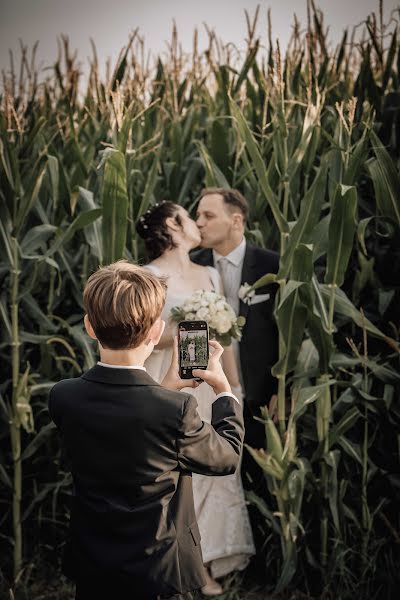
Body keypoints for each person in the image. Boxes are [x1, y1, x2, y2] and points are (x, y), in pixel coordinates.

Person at [48, 261, 244, 600]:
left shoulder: (64, 397)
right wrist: (224, 391)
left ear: (89, 327)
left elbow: (129, 425)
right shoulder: (174, 410)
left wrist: (167, 387)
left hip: (95, 568)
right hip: (161, 571)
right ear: (156, 333)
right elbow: (225, 457)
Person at [137, 202, 255, 595]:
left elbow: (226, 339)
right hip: (166, 383)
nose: (196, 224)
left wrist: (233, 390)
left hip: (208, 385)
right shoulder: (148, 276)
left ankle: (204, 563)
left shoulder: (209, 274)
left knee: (210, 470)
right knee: (174, 473)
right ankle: (171, 563)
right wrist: (190, 327)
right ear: (173, 226)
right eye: (190, 217)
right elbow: (140, 339)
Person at [192, 188, 280, 454]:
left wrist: (283, 389)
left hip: (263, 396)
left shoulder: (273, 266)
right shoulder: (193, 268)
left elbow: (290, 331)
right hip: (209, 395)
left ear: (236, 221)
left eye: (208, 215)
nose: (199, 223)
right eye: (197, 216)